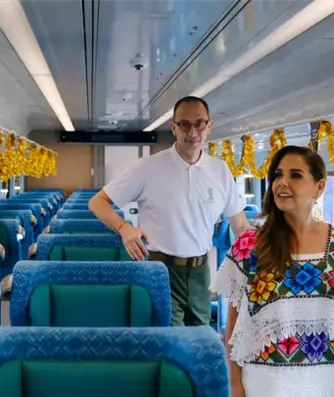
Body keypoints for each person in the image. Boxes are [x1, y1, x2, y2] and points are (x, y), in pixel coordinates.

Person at [211, 145, 334, 397]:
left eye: (295, 175)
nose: (282, 183)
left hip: (326, 380)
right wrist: (234, 380)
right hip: (268, 380)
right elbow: (235, 323)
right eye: (277, 175)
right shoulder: (250, 245)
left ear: (319, 187)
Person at [89, 96, 252, 327]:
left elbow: (241, 226)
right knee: (173, 340)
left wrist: (265, 262)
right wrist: (124, 228)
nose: (192, 131)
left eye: (199, 124)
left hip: (201, 273)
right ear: (173, 127)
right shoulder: (148, 167)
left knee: (200, 337)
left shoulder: (220, 171)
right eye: (184, 124)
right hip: (161, 269)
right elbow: (98, 202)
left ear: (209, 126)